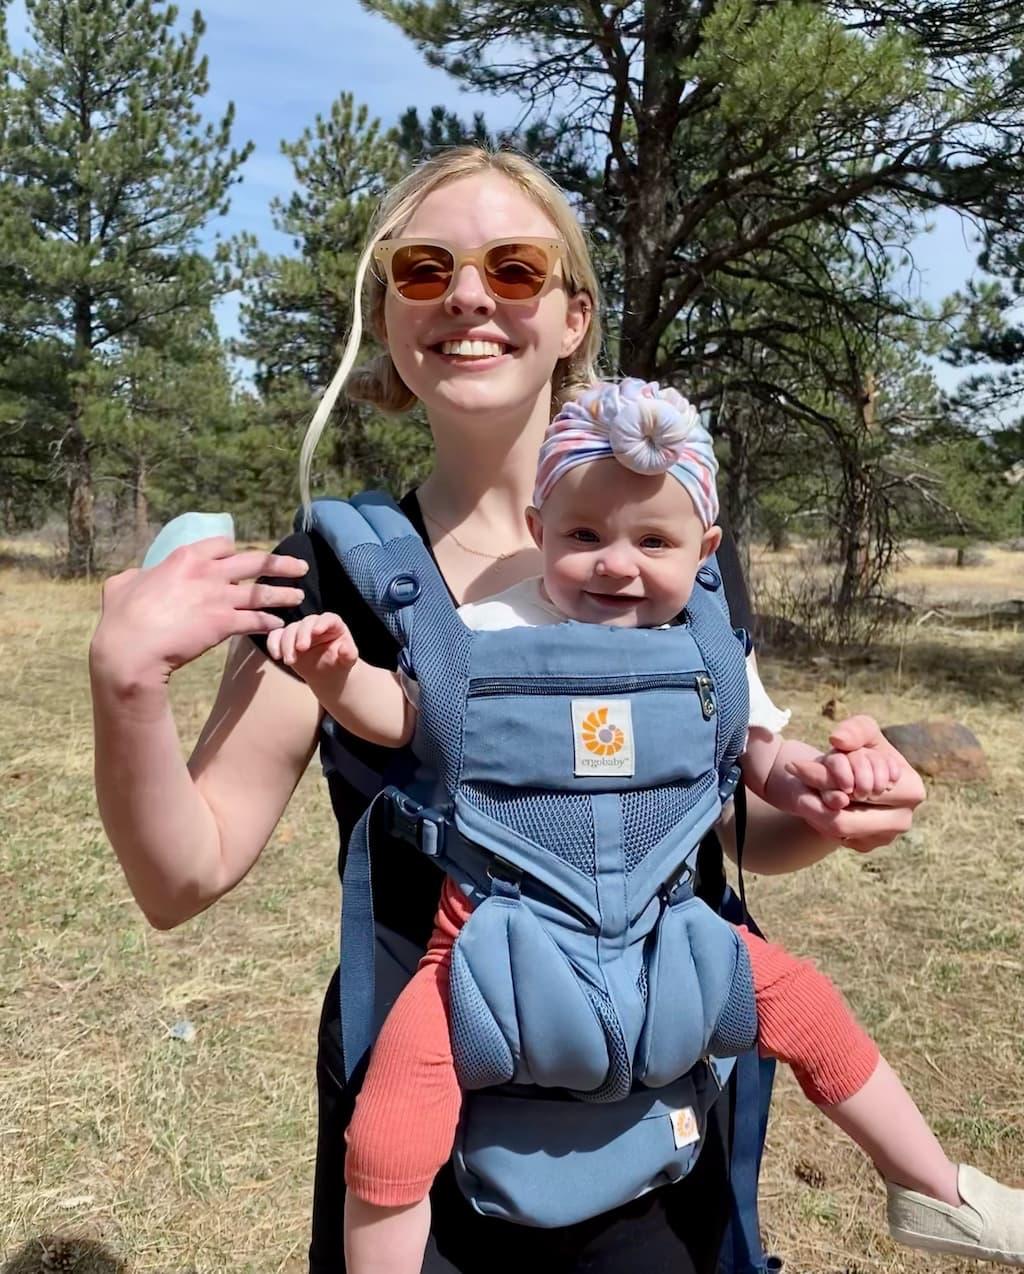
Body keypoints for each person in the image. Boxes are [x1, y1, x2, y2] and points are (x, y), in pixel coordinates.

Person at [91, 147, 928, 1274]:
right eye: (425, 270)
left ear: (574, 313)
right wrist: (127, 684)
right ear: (388, 314)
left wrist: (827, 810)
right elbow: (179, 874)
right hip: (426, 1144)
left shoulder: (677, 557)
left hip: (660, 1126)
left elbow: (732, 833)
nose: (470, 296)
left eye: (515, 267)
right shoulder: (332, 573)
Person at [268, 377, 1024, 1274]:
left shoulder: (709, 648)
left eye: (653, 541)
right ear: (540, 528)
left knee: (812, 1010)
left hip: (672, 941)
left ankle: (936, 1191)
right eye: (583, 536)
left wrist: (824, 780)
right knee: (392, 1122)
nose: (615, 564)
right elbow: (400, 715)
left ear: (704, 548)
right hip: (488, 949)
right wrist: (334, 677)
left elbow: (758, 759)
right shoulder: (482, 632)